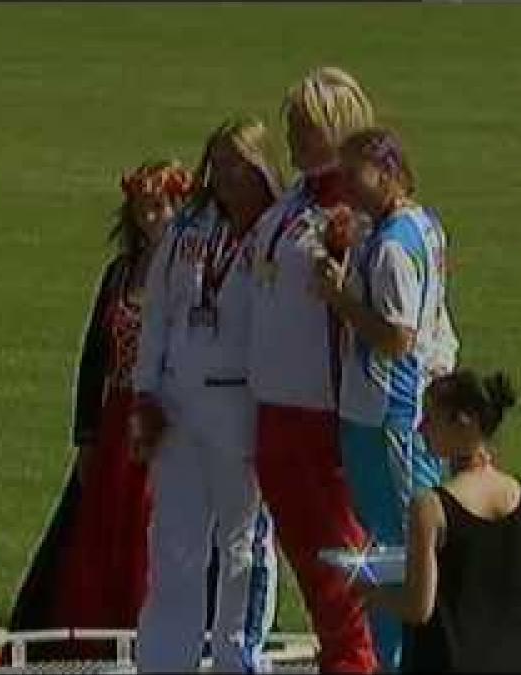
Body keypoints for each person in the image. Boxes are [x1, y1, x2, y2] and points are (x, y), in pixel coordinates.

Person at [3, 161, 196, 663]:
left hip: (164, 419)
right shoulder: (120, 273)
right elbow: (95, 357)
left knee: (151, 533)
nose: (158, 218)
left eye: (167, 207)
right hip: (117, 421)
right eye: (148, 208)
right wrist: (86, 434)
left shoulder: (191, 275)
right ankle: (88, 642)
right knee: (97, 535)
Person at [132, 117, 284, 673]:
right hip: (178, 406)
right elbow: (158, 315)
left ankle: (237, 659)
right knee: (173, 544)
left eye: (236, 163)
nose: (223, 175)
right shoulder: (188, 228)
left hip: (244, 408)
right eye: (216, 162)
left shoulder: (281, 229)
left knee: (243, 546)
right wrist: (143, 392)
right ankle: (164, 660)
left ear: (261, 166)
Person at [245, 65, 381, 674]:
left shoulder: (354, 213)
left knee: (339, 570)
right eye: (291, 121)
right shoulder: (292, 202)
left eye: (306, 123)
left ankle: (356, 664)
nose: (293, 133)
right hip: (272, 405)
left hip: (323, 414)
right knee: (307, 563)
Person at [314, 126, 458, 671]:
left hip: (390, 412)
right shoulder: (420, 225)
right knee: (394, 544)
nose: (345, 187)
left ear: (390, 172)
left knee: (397, 549)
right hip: (392, 408)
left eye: (355, 175)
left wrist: (339, 299)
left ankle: (399, 657)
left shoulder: (395, 246)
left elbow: (397, 337)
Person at [348, 369, 521, 673]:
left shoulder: (430, 508)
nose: (421, 429)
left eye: (431, 420)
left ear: (463, 423)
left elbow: (418, 606)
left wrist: (370, 593)